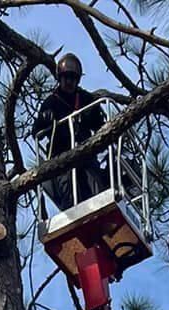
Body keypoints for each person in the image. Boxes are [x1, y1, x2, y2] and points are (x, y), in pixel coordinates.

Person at [33, 52, 107, 212]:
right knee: (68, 186)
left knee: (94, 183)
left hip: (86, 152)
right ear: (60, 78)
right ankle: (72, 213)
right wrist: (45, 118)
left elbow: (101, 125)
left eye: (72, 78)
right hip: (61, 156)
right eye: (66, 77)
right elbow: (36, 132)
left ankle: (99, 211)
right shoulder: (51, 101)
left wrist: (92, 118)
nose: (69, 82)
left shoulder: (86, 99)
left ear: (77, 80)